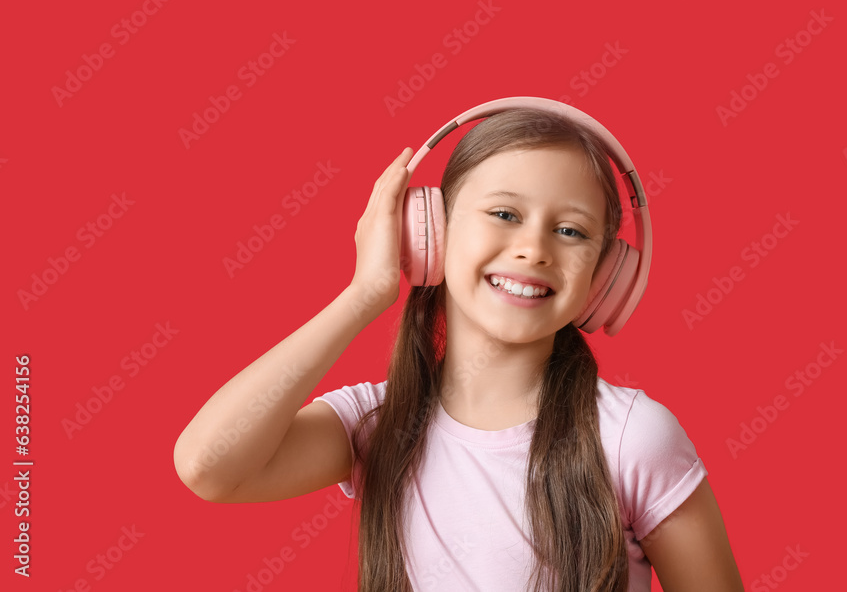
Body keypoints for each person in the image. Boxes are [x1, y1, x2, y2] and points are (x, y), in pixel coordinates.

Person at [173, 103, 745, 591]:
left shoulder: (630, 438)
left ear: (606, 275)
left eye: (570, 231)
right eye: (504, 214)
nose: (533, 249)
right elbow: (209, 466)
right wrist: (365, 294)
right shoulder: (379, 425)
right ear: (431, 233)